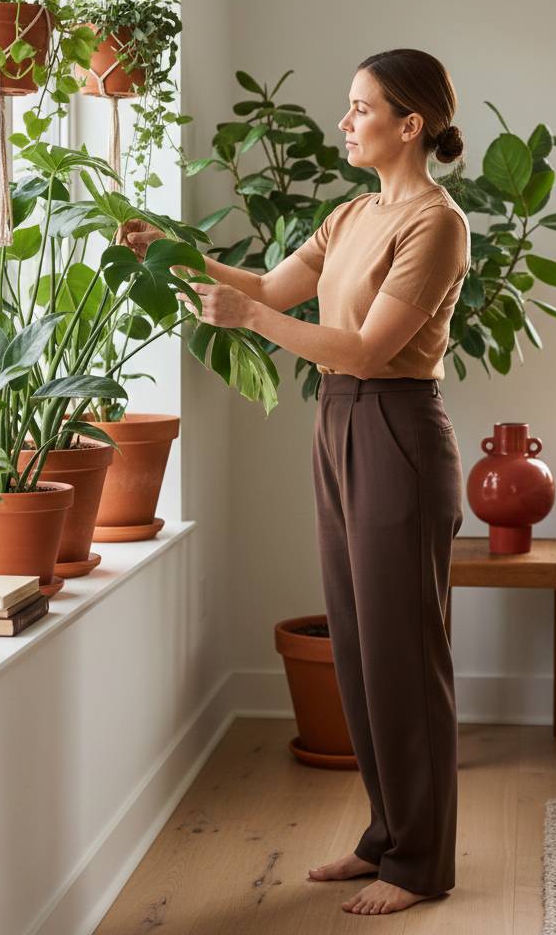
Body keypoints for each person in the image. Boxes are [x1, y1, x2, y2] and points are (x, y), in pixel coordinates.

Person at [120, 48, 471, 917]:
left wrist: (255, 318)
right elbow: (270, 287)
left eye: (361, 108)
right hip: (340, 426)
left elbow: (364, 348)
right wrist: (180, 255)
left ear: (410, 124)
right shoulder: (353, 215)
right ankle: (388, 836)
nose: (345, 121)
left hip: (396, 429)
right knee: (357, 647)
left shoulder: (436, 223)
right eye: (349, 106)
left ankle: (422, 863)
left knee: (403, 652)